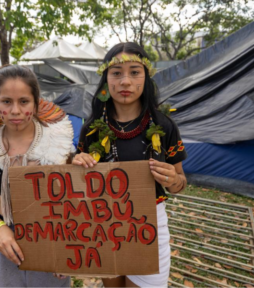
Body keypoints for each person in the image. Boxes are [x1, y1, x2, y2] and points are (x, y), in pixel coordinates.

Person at [73, 42, 188, 287]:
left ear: (146, 78)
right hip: (103, 225)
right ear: (106, 80)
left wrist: (173, 180)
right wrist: (76, 165)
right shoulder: (90, 130)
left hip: (149, 227)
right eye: (116, 73)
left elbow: (180, 183)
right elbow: (78, 185)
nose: (125, 81)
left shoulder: (165, 126)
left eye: (135, 72)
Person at [0, 65, 73, 287]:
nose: (15, 110)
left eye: (24, 101)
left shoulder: (56, 142)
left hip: (52, 240)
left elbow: (70, 198)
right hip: (3, 245)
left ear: (36, 101)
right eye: (6, 101)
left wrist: (67, 249)